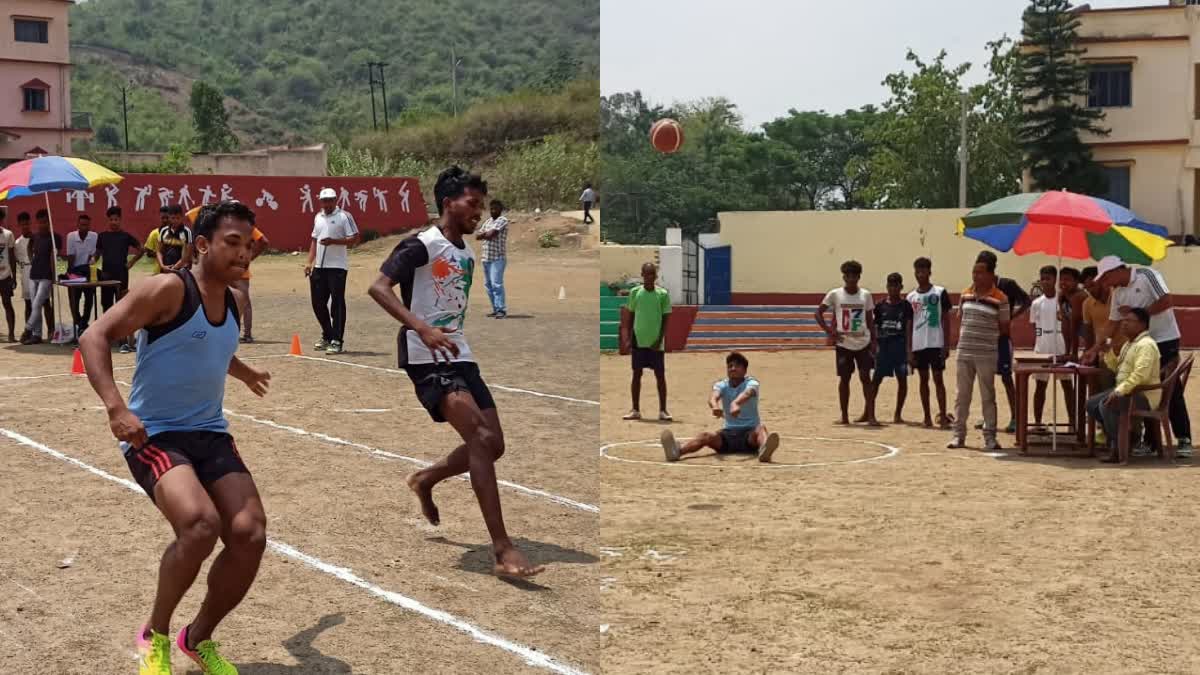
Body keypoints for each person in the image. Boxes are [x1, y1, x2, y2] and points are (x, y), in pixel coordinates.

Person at [78, 200, 271, 675]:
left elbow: (210, 346)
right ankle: (155, 634)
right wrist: (116, 408)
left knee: (250, 534)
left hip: (209, 433)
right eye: (232, 243)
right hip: (155, 434)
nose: (244, 253)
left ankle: (197, 637)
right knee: (201, 525)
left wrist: (243, 373)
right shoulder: (168, 289)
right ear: (202, 244)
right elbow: (93, 336)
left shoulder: (230, 302)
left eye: (249, 245)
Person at [367, 166, 542, 578]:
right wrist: (422, 327)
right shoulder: (421, 244)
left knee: (493, 444)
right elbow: (378, 287)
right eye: (471, 204)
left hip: (459, 352)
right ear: (448, 203)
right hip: (426, 357)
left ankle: (426, 478)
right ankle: (502, 549)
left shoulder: (464, 250)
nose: (477, 212)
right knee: (479, 439)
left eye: (481, 205)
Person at [1088, 256, 1191, 456]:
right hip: (1139, 342)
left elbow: (1166, 300)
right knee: (1140, 389)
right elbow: (1112, 323)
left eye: (1106, 279)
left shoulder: (1147, 275)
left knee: (1170, 388)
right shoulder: (1117, 292)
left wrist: (1139, 313)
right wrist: (1094, 348)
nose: (1105, 284)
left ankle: (1183, 438)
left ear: (1116, 271)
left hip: (1163, 338)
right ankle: (1149, 441)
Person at [660, 351, 781, 463]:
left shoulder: (752, 383)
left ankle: (764, 450)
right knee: (706, 436)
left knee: (761, 429)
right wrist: (715, 406)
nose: (732, 368)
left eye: (737, 366)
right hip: (728, 436)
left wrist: (736, 403)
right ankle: (677, 451)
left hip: (749, 435)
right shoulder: (722, 384)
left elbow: (748, 393)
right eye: (730, 366)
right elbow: (713, 397)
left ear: (745, 370)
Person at [948, 255, 1011, 450]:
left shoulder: (1000, 298)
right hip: (964, 352)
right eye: (974, 272)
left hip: (986, 353)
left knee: (987, 396)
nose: (976, 276)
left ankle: (990, 437)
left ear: (991, 274)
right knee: (962, 395)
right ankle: (958, 435)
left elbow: (1004, 328)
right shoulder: (966, 294)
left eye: (980, 272)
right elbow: (962, 320)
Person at [1085, 308, 1160, 463]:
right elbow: (1118, 368)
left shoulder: (1146, 345)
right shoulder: (1129, 344)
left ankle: (1119, 447)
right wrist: (1108, 353)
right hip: (1128, 391)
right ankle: (1123, 436)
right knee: (1091, 404)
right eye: (1123, 320)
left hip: (1143, 394)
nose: (1124, 324)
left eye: (1129, 321)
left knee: (1106, 405)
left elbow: (1140, 375)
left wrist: (1119, 391)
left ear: (1142, 324)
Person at [816, 260, 877, 426]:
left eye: (854, 275)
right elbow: (818, 313)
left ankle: (871, 415)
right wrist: (830, 331)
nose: (851, 279)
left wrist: (874, 341)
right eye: (848, 275)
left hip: (863, 343)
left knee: (866, 378)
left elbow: (870, 320)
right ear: (844, 276)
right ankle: (844, 416)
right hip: (843, 344)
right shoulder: (835, 294)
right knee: (844, 379)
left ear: (859, 276)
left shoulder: (865, 295)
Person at [306, 187, 360, 355]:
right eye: (324, 201)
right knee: (318, 303)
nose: (327, 203)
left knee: (336, 304)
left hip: (337, 267)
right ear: (320, 202)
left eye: (330, 200)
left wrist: (334, 242)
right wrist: (309, 262)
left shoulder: (344, 216)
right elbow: (314, 240)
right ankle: (327, 335)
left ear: (336, 200)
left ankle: (337, 340)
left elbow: (355, 238)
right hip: (319, 267)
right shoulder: (318, 217)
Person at [623, 262, 673, 422]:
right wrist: (629, 337)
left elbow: (665, 319)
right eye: (646, 274)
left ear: (656, 276)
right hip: (639, 340)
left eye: (652, 274)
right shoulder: (635, 292)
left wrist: (659, 339)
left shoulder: (663, 294)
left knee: (660, 375)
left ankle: (663, 410)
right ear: (642, 275)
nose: (649, 277)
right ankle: (635, 409)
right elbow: (630, 315)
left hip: (656, 343)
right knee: (636, 374)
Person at [907, 257, 953, 428]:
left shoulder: (939, 292)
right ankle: (926, 417)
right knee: (923, 380)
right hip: (919, 344)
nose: (920, 274)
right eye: (917, 271)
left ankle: (942, 415)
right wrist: (909, 349)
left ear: (929, 272)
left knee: (938, 379)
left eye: (924, 271)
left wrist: (946, 344)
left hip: (936, 343)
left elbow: (946, 319)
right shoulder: (911, 297)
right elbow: (910, 323)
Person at [1029, 265, 1076, 431]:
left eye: (1048, 278)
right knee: (1040, 386)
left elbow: (1069, 325)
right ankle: (1037, 422)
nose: (1045, 282)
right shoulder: (1036, 303)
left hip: (1061, 349)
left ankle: (1072, 423)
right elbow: (1036, 326)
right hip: (1043, 350)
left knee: (1067, 386)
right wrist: (1040, 338)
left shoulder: (1062, 301)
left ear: (1055, 280)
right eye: (1042, 278)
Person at [867, 272, 913, 425]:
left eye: (896, 286)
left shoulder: (906, 306)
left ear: (901, 287)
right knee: (876, 381)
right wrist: (875, 345)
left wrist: (908, 350)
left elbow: (908, 328)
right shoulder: (880, 306)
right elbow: (875, 326)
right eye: (890, 285)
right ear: (887, 287)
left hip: (899, 348)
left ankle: (898, 414)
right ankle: (869, 412)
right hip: (884, 348)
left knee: (902, 381)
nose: (893, 289)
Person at [96, 206, 145, 353]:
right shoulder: (102, 236)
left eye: (116, 219)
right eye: (111, 219)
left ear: (120, 220)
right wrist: (92, 260)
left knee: (122, 307)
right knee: (106, 305)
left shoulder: (125, 236)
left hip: (122, 275)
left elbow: (141, 249)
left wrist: (131, 262)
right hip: (105, 276)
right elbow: (97, 253)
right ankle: (107, 335)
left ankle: (123, 340)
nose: (114, 222)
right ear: (108, 220)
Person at [19, 210, 61, 345]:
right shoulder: (35, 237)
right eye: (40, 222)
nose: (42, 225)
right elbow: (29, 248)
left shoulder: (55, 237)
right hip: (33, 274)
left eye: (45, 222)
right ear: (37, 222)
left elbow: (54, 258)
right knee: (33, 304)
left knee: (38, 303)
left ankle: (27, 330)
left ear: (49, 221)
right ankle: (37, 334)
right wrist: (32, 259)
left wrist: (54, 275)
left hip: (46, 276)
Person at [63, 213, 99, 338]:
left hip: (88, 271)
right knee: (74, 300)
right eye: (82, 224)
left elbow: (94, 255)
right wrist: (71, 275)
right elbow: (70, 257)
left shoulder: (94, 236)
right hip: (74, 272)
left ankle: (84, 323)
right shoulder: (71, 237)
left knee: (89, 299)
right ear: (77, 224)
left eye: (86, 225)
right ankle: (78, 323)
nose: (84, 227)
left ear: (89, 225)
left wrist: (93, 260)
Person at [476, 199, 509, 319]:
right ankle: (495, 309)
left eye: (496, 209)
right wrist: (485, 234)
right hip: (486, 258)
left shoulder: (502, 220)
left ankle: (501, 309)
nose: (493, 211)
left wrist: (485, 234)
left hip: (497, 258)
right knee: (488, 285)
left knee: (497, 284)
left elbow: (491, 235)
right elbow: (477, 236)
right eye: (492, 209)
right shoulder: (488, 221)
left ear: (500, 209)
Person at [1057, 267, 1087, 359]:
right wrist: (1066, 353)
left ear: (1076, 282)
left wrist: (1074, 354)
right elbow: (1065, 325)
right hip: (1076, 326)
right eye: (1061, 279)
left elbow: (1075, 326)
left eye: (1067, 280)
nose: (1063, 282)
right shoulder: (1061, 296)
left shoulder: (1079, 296)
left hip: (1089, 330)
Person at [156, 205, 193, 272]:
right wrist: (162, 265)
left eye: (178, 218)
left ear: (182, 217)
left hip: (181, 270)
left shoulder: (187, 232)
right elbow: (159, 251)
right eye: (173, 218)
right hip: (165, 268)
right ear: (169, 218)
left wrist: (175, 268)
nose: (175, 220)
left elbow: (187, 255)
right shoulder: (164, 231)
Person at [0, 207, 15, 342]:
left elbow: (12, 257)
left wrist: (14, 277)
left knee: (7, 303)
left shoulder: (8, 234)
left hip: (5, 275)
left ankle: (11, 334)